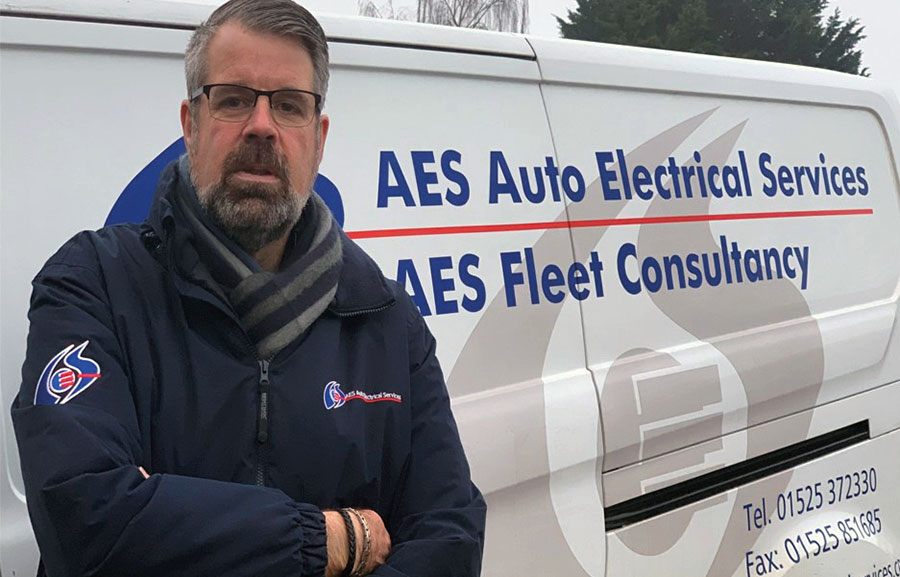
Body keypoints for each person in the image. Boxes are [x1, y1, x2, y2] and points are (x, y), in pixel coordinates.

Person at [11, 0, 486, 575]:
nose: (262, 125)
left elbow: (451, 534)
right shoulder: (93, 285)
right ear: (191, 125)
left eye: (289, 105)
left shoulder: (384, 317)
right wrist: (327, 539)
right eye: (234, 99)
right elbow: (85, 518)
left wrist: (164, 516)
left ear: (318, 138)